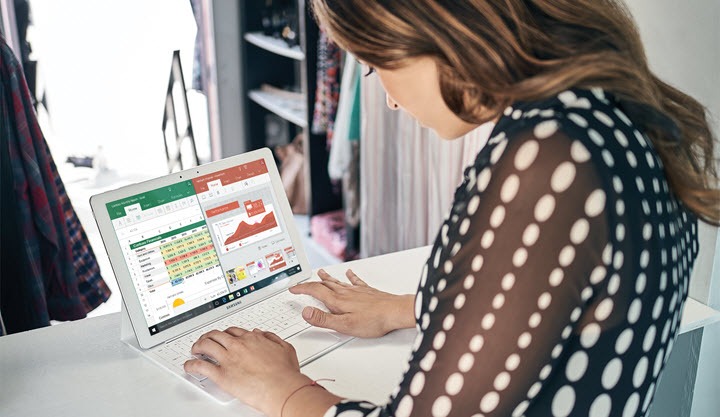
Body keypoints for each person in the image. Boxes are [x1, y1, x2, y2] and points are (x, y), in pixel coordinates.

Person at [185, 1, 720, 416]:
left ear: (439, 27)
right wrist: (412, 307)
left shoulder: (548, 158)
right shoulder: (619, 119)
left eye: (375, 67)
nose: (390, 101)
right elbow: (573, 300)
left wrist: (281, 387)